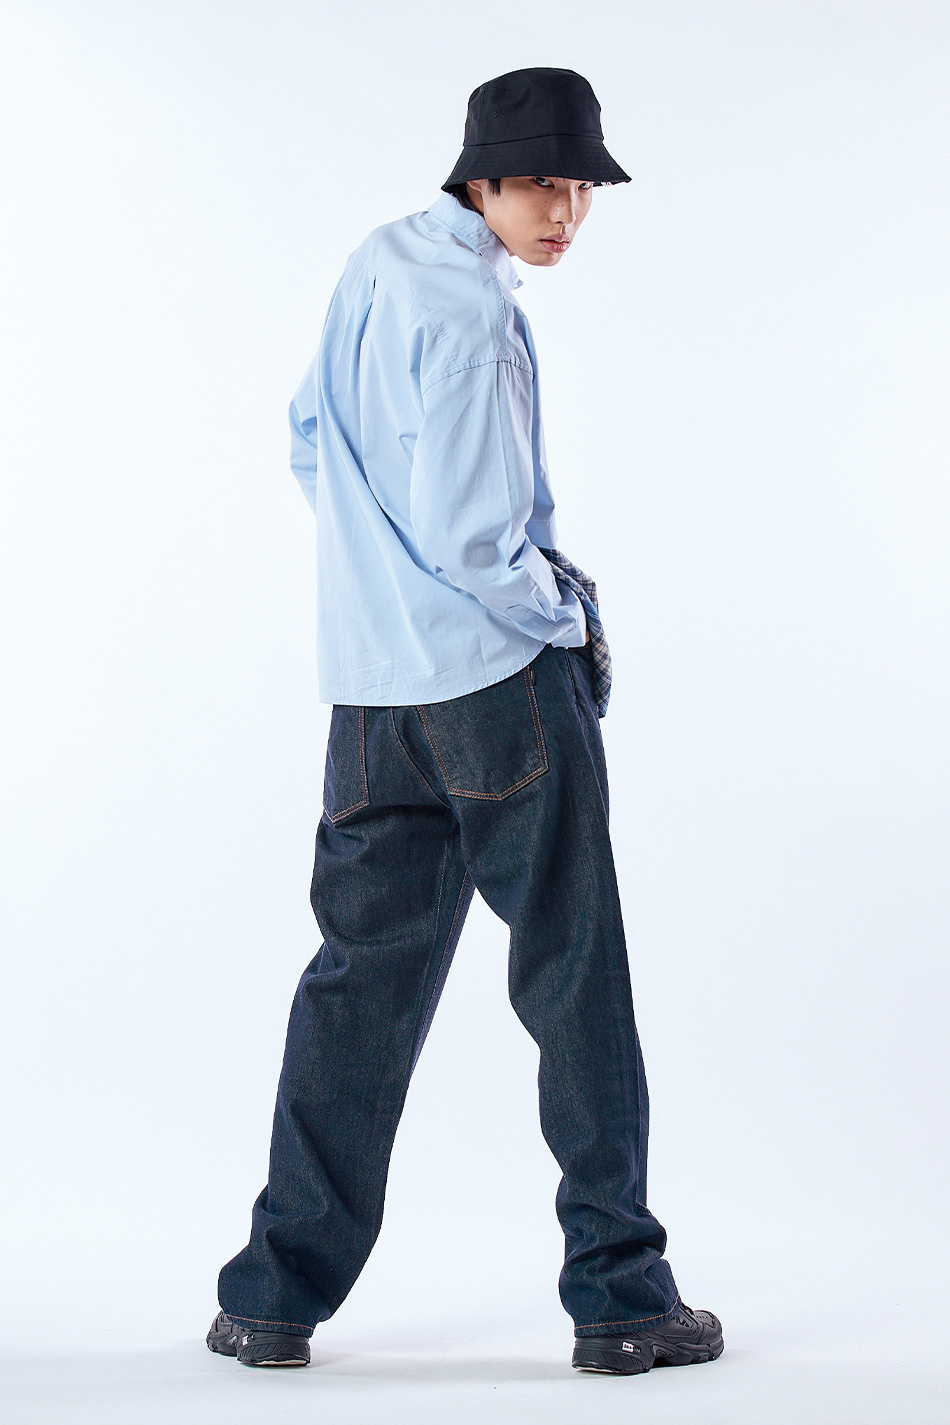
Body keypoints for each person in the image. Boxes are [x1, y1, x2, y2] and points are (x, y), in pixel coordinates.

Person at [206, 66, 722, 1377]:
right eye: (541, 184)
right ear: (479, 179)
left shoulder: (377, 263)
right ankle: (621, 1299)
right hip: (497, 694)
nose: (565, 212)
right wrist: (566, 613)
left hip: (371, 695)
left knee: (357, 991)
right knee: (573, 980)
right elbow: (479, 539)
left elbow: (308, 437)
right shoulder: (478, 320)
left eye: (581, 188)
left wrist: (379, 582)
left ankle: (271, 1298)